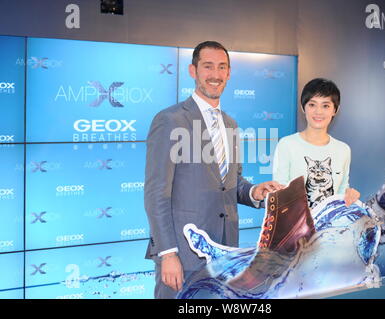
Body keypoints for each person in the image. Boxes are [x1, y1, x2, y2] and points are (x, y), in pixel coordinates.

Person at [144, 41, 283, 299]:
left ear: (229, 73)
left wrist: (254, 191)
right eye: (208, 67)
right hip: (183, 256)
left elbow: (231, 184)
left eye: (222, 68)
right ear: (193, 70)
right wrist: (167, 253)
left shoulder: (231, 125)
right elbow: (156, 193)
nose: (215, 75)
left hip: (225, 253)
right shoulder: (170, 120)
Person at [272, 78, 360, 209]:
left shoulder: (343, 150)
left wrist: (350, 195)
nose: (318, 112)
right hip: (297, 225)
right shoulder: (287, 145)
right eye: (312, 105)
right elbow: (279, 192)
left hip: (331, 227)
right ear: (303, 107)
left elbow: (341, 192)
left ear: (335, 109)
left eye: (326, 106)